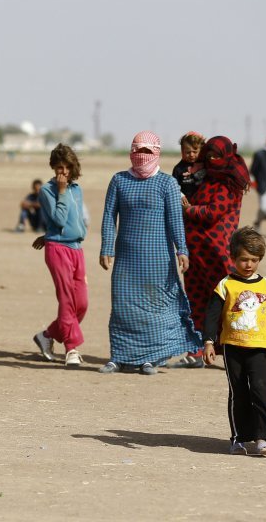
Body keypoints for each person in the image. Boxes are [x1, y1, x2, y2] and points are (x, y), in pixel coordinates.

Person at [99, 131, 201, 375]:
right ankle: (119, 357)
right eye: (138, 150)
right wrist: (106, 247)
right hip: (126, 260)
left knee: (156, 310)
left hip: (158, 261)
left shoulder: (167, 183)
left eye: (147, 151)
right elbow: (108, 216)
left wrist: (182, 251)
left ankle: (150, 358)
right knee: (123, 308)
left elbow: (176, 221)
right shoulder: (119, 180)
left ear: (156, 153)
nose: (141, 155)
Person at [203, 227, 266, 455]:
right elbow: (211, 316)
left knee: (261, 391)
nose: (249, 265)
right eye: (244, 260)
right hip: (233, 349)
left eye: (254, 260)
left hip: (259, 348)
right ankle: (238, 439)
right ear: (233, 258)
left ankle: (262, 438)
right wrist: (208, 342)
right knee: (238, 394)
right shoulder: (225, 285)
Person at [176, 135, 250, 368]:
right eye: (209, 156)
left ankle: (232, 352)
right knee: (197, 301)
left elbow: (212, 213)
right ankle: (197, 350)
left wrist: (188, 209)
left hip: (218, 254)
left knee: (225, 304)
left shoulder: (230, 183)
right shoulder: (205, 178)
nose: (213, 160)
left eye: (218, 156)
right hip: (196, 253)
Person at [31, 144, 88, 367]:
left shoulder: (78, 189)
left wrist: (47, 234)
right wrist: (61, 192)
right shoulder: (47, 191)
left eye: (65, 168)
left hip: (77, 249)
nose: (61, 173)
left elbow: (75, 222)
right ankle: (71, 349)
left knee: (81, 303)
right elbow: (60, 219)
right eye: (58, 168)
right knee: (66, 300)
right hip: (58, 250)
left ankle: (46, 335)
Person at [171, 130, 206, 204]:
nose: (191, 155)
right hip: (186, 205)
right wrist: (180, 195)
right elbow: (173, 187)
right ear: (182, 151)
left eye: (195, 152)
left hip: (202, 204)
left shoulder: (205, 166)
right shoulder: (178, 169)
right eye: (188, 152)